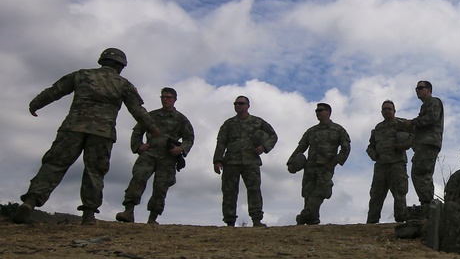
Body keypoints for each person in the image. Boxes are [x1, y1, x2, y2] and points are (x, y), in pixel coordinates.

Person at [14, 47, 159, 226]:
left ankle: (30, 202)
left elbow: (55, 90)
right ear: (120, 66)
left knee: (54, 164)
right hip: (102, 133)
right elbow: (137, 110)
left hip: (73, 128)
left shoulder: (81, 75)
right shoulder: (123, 84)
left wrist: (36, 104)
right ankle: (88, 215)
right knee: (95, 172)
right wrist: (152, 128)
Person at [117, 87, 195, 225]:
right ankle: (128, 211)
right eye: (163, 97)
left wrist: (181, 149)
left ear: (175, 99)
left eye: (168, 97)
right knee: (138, 178)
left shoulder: (181, 119)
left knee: (161, 187)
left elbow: (189, 138)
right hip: (149, 154)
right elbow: (137, 131)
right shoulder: (151, 116)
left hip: (168, 158)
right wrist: (138, 146)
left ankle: (153, 218)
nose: (165, 99)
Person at [212, 95, 277, 227]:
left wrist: (264, 147)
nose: (238, 106)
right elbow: (221, 142)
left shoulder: (258, 122)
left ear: (248, 106)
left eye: (241, 103)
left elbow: (273, 135)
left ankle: (256, 219)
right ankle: (229, 221)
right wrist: (217, 160)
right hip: (231, 162)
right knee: (229, 191)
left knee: (254, 190)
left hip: (251, 161)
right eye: (235, 104)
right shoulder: (228, 124)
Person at [287, 103, 351, 225]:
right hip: (310, 166)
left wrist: (336, 162)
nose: (317, 113)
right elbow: (301, 147)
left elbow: (346, 148)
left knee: (321, 192)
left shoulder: (338, 130)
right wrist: (291, 162)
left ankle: (304, 215)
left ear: (328, 112)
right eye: (316, 111)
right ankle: (312, 220)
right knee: (308, 192)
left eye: (320, 110)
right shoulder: (311, 131)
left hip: (326, 167)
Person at [396, 80, 444, 212]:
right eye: (416, 88)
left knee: (421, 173)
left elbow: (431, 118)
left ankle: (428, 205)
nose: (417, 90)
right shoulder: (426, 105)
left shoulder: (434, 101)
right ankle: (427, 205)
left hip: (428, 143)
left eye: (420, 88)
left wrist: (412, 123)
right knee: (421, 173)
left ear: (429, 89)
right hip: (424, 143)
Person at [365, 100, 411, 223]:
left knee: (399, 194)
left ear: (394, 111)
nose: (387, 111)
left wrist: (404, 146)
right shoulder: (378, 128)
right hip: (381, 166)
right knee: (376, 195)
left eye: (389, 109)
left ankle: (401, 222)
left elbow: (414, 137)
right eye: (384, 109)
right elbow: (370, 146)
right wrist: (373, 155)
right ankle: (371, 223)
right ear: (381, 112)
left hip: (397, 164)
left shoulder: (402, 123)